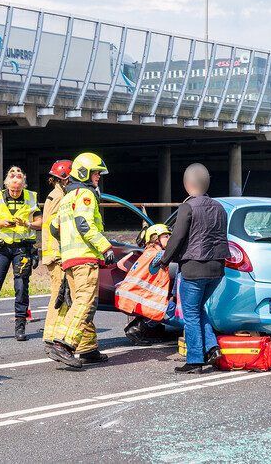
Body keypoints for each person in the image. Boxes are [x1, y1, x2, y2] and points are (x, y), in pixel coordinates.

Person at [155, 163, 230, 374]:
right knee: (197, 309)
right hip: (217, 269)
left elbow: (177, 237)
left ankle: (195, 360)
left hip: (194, 267)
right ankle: (213, 348)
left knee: (190, 314)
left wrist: (164, 260)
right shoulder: (219, 207)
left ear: (188, 185)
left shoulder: (187, 207)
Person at [48, 152, 115, 368]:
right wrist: (104, 247)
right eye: (96, 173)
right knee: (85, 303)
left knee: (81, 301)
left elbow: (54, 227)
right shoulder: (85, 195)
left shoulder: (67, 198)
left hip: (69, 260)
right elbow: (85, 224)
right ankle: (64, 345)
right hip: (84, 259)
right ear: (85, 173)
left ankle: (88, 348)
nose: (98, 177)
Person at [0, 166, 42, 342]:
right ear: (7, 185)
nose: (15, 192)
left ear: (23, 186)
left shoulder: (30, 197)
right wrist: (2, 223)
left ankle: (20, 325)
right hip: (1, 248)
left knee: (21, 287)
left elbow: (40, 222)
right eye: (12, 189)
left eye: (18, 189)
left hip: (22, 249)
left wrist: (27, 223)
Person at [41, 159, 72, 355]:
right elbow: (57, 227)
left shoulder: (54, 195)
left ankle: (51, 335)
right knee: (60, 297)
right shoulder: (60, 198)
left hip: (52, 254)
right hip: (57, 255)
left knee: (57, 296)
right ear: (65, 179)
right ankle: (54, 338)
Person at [115, 224, 173, 325]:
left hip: (128, 299)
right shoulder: (158, 255)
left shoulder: (147, 253)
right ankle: (148, 325)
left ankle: (143, 326)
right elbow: (171, 254)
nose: (169, 238)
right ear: (155, 238)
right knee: (181, 311)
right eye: (166, 236)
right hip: (145, 302)